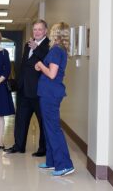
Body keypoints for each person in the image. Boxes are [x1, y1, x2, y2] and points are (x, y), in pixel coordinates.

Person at [35, 22, 75, 176]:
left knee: (53, 129)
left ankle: (64, 164)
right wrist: (41, 66)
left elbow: (51, 74)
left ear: (55, 33)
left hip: (50, 94)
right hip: (49, 93)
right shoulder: (59, 50)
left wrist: (40, 64)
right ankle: (52, 161)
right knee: (48, 128)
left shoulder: (56, 50)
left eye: (51, 31)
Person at [5, 20, 49, 156]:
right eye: (35, 29)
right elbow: (24, 66)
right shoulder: (27, 45)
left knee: (42, 121)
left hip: (39, 91)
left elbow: (47, 62)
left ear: (45, 31)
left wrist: (37, 48)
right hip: (23, 89)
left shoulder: (49, 46)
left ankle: (43, 149)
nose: (36, 32)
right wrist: (18, 83)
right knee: (20, 119)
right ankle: (19, 146)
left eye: (40, 29)